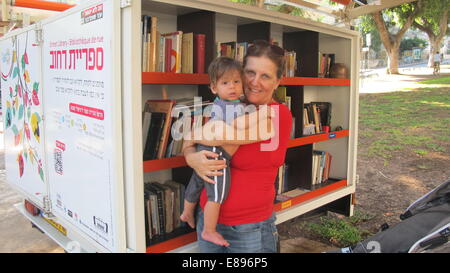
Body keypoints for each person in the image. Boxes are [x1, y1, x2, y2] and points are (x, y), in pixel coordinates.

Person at [182, 40, 293, 253]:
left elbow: (212, 135)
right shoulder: (231, 105)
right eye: (250, 73)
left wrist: (196, 138)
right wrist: (191, 157)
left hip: (250, 228)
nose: (254, 82)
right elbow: (193, 142)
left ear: (278, 81)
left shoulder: (276, 115)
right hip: (208, 218)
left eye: (265, 76)